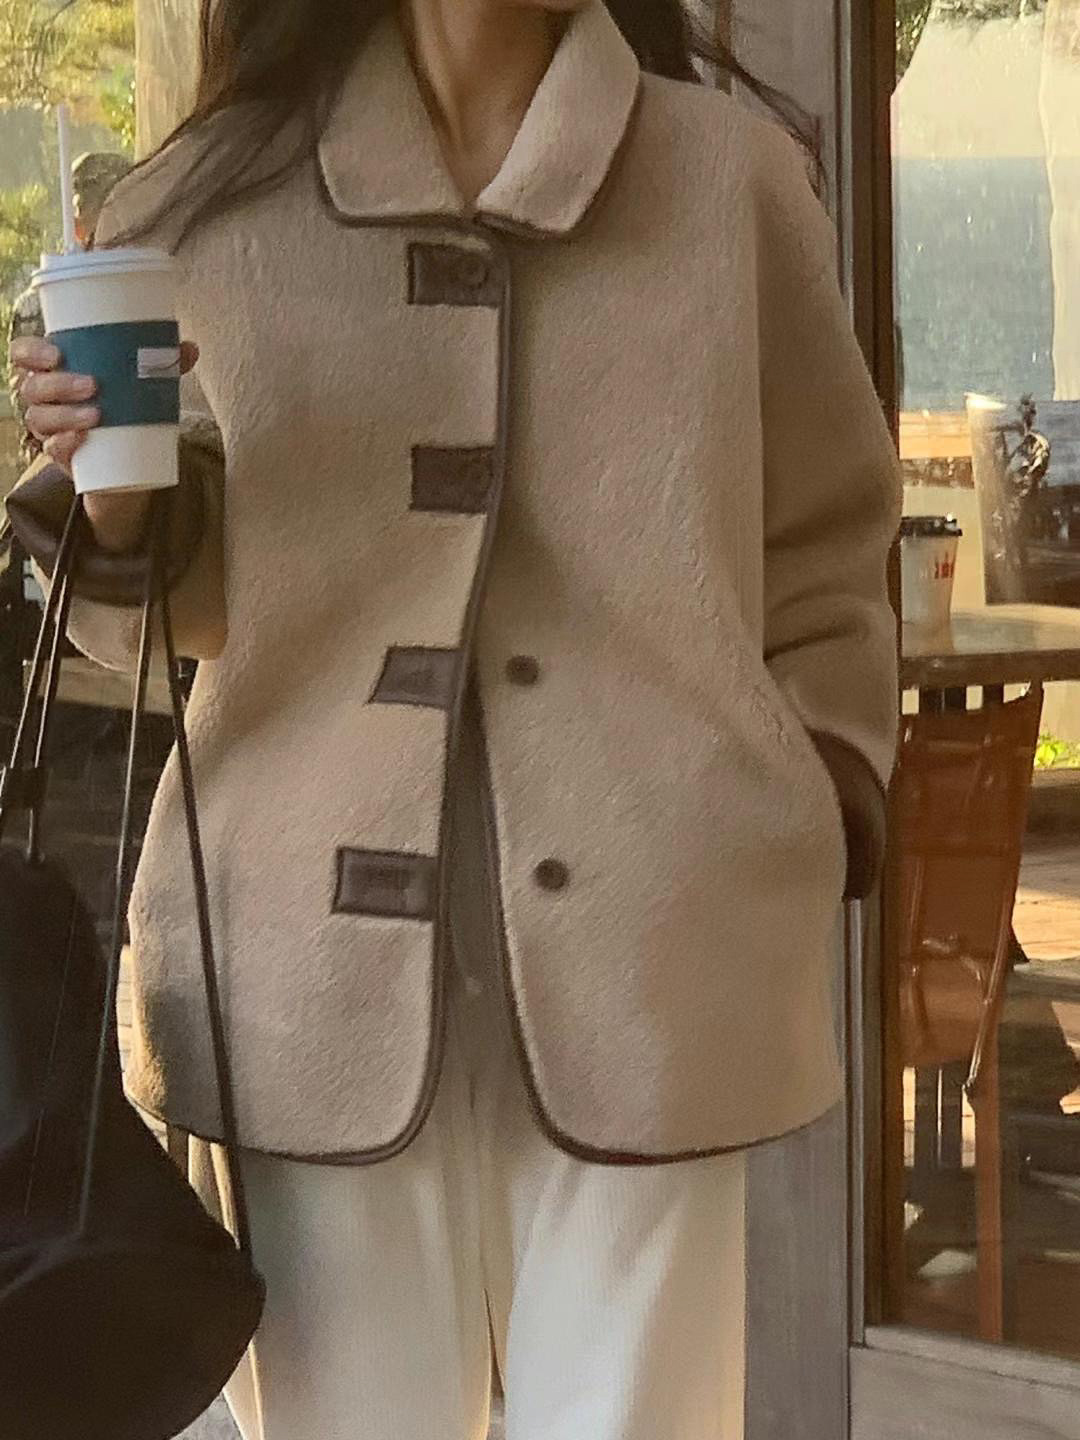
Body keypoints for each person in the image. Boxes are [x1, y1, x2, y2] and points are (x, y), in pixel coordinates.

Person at [6, 2, 901, 1437]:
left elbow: (831, 540)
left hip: (661, 943)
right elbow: (190, 612)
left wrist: (819, 790)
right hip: (301, 960)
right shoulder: (201, 203)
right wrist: (110, 494)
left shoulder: (727, 183)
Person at [6, 152, 132, 468]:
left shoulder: (152, 289)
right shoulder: (43, 301)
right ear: (79, 227)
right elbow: (28, 410)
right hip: (62, 460)